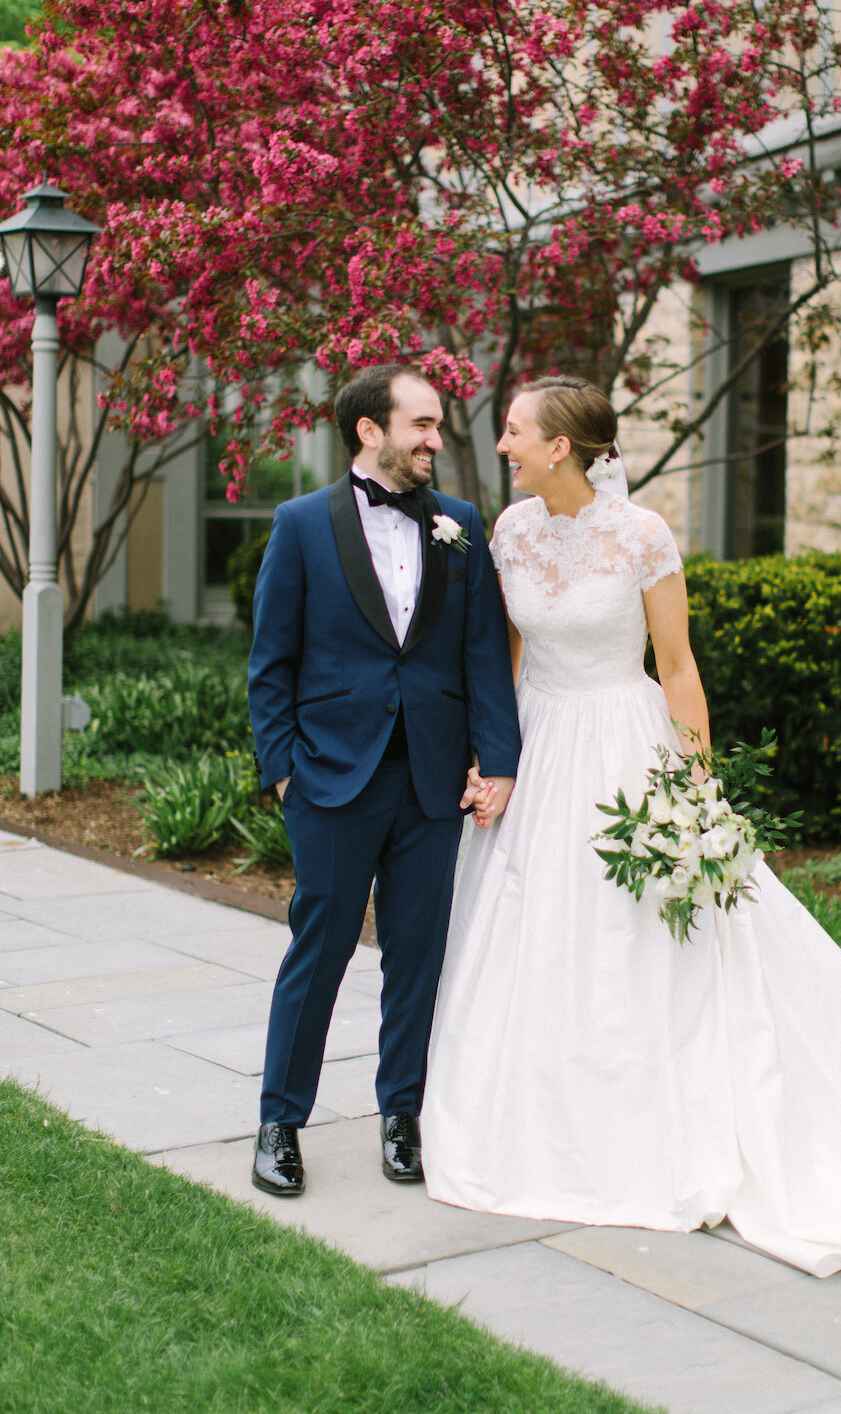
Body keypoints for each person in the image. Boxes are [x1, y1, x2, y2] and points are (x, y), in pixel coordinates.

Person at [422, 374, 841, 1286]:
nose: (502, 443)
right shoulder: (511, 530)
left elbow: (679, 665)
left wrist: (698, 787)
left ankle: (652, 1125)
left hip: (623, 743)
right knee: (526, 929)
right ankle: (525, 1118)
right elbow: (513, 655)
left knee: (634, 936)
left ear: (561, 446)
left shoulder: (642, 536)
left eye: (514, 430)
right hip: (541, 744)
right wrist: (498, 754)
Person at [248, 363, 520, 1196]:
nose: (437, 439)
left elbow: (483, 656)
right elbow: (270, 664)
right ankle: (279, 1122)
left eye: (437, 425)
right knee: (318, 952)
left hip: (432, 782)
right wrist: (284, 772)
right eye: (423, 425)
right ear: (371, 430)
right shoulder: (300, 524)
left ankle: (402, 1116)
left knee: (419, 956)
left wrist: (498, 761)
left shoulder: (461, 525)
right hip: (331, 781)